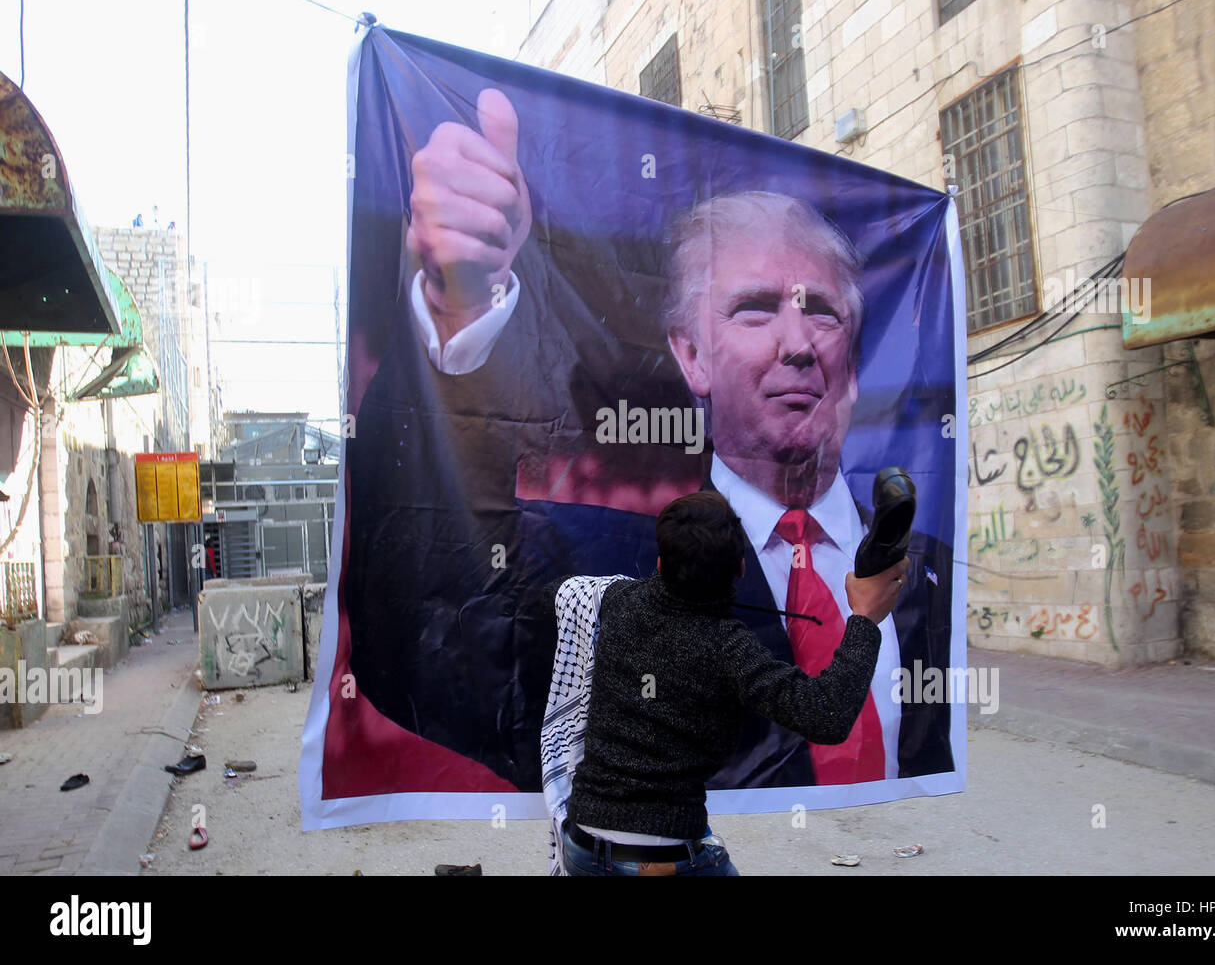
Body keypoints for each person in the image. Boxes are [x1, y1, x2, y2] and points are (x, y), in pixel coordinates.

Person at [343, 89, 952, 792]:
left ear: (852, 356)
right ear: (690, 355)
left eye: (821, 311)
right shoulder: (610, 568)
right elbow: (420, 643)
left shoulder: (922, 574)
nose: (797, 344)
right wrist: (459, 310)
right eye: (754, 309)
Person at [560, 491, 908, 876]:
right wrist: (864, 618)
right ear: (742, 568)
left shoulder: (614, 601)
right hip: (665, 859)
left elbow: (556, 595)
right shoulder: (727, 647)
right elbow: (824, 713)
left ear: (660, 563)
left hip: (582, 846)